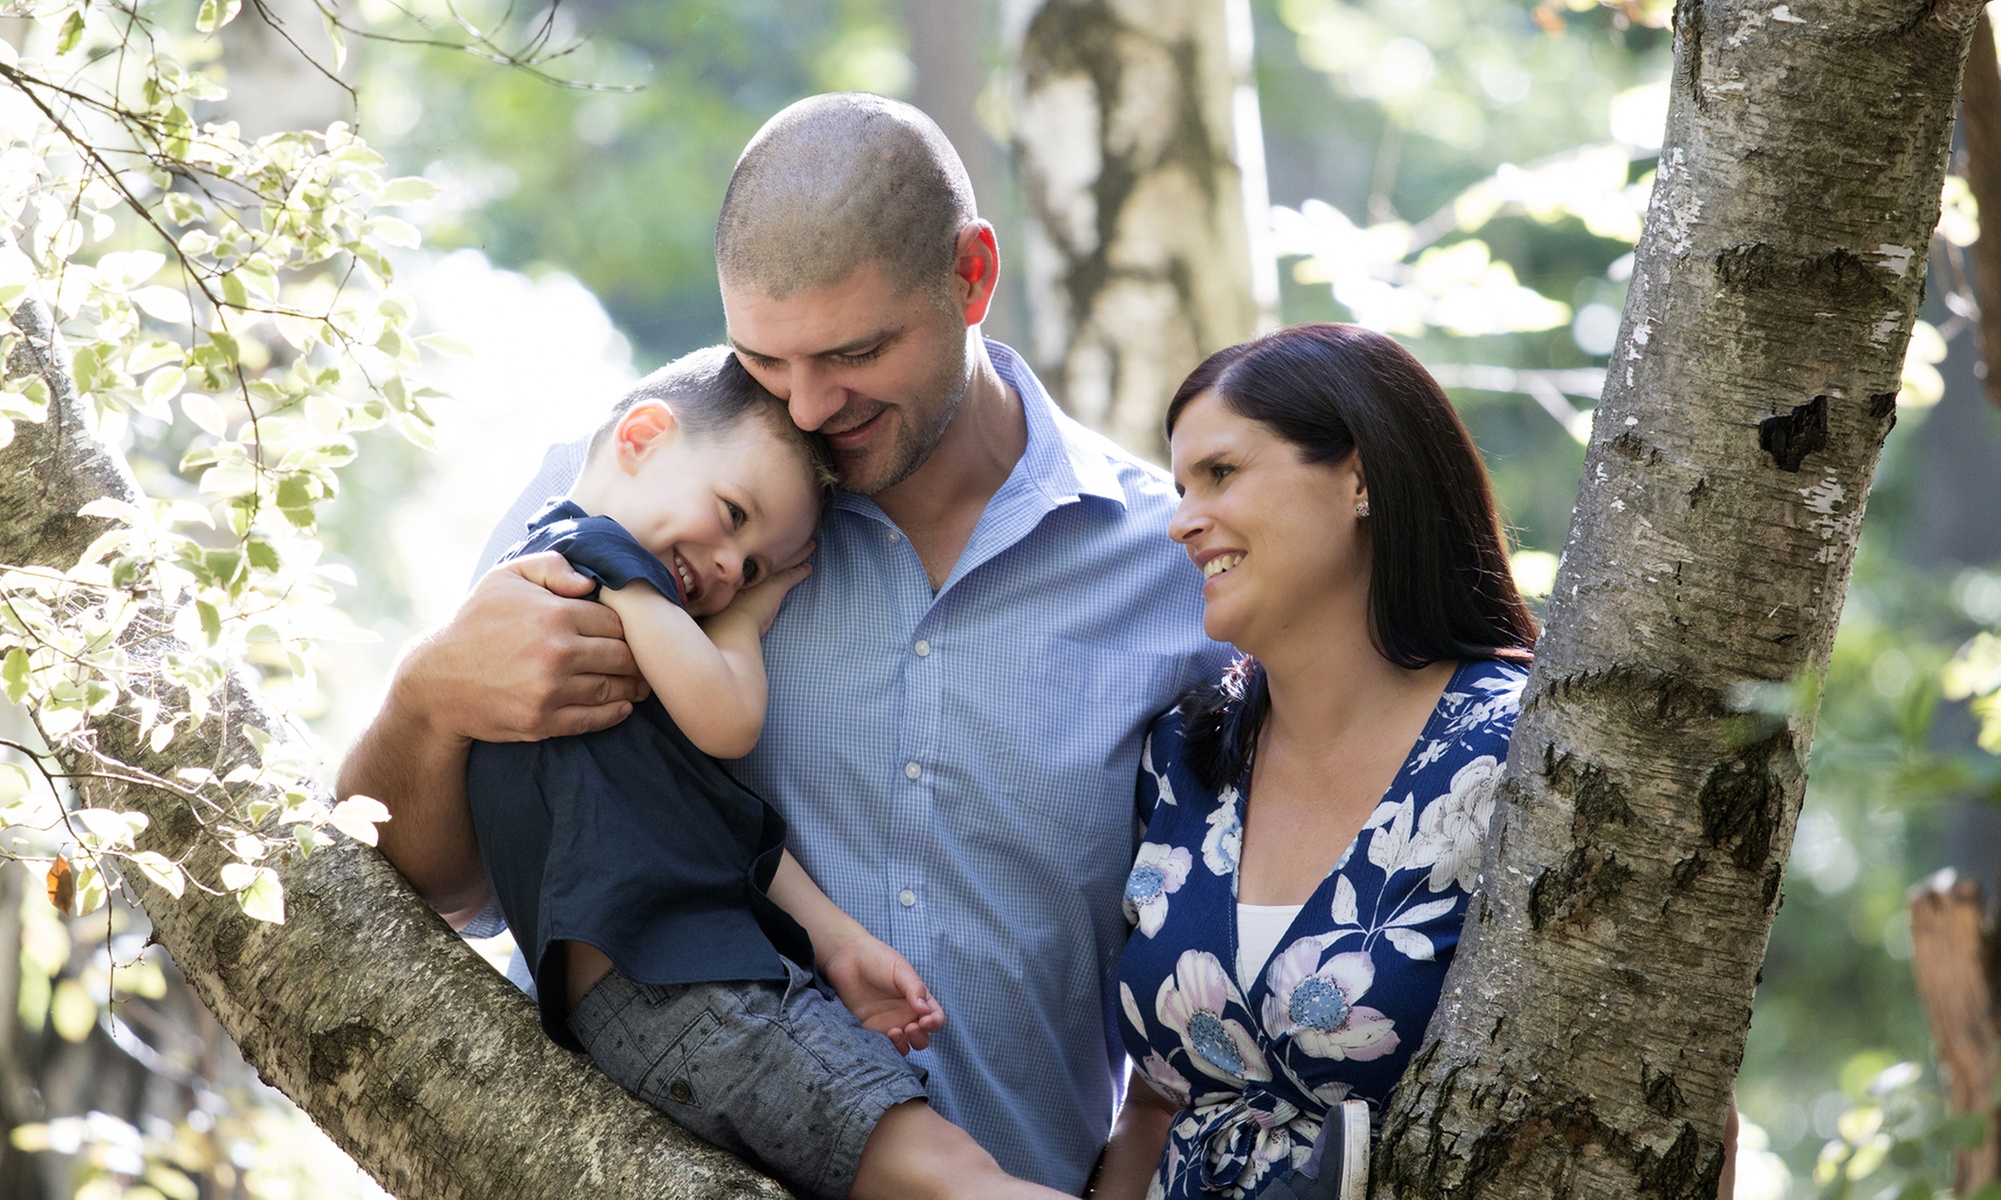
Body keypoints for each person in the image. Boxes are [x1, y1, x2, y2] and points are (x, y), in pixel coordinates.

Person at [336, 92, 1224, 1191]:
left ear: (972, 278)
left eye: (853, 353)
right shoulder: (635, 503)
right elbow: (441, 896)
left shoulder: (1172, 571)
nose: (805, 408)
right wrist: (424, 701)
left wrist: (1136, 1166)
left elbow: (1224, 962)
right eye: (764, 361)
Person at [464, 346, 1070, 1200]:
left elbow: (702, 813)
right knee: (947, 1177)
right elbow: (727, 720)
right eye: (733, 513)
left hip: (686, 993)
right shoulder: (593, 559)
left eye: (751, 566)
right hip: (681, 996)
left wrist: (838, 942)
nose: (725, 567)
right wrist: (746, 618)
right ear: (641, 437)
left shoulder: (600, 619)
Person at [1092, 324, 1539, 1199]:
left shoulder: (1523, 755)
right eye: (1180, 485)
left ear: (1359, 478)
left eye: (1220, 473)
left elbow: (1665, 1100)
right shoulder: (1182, 759)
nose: (1179, 518)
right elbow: (1149, 1109)